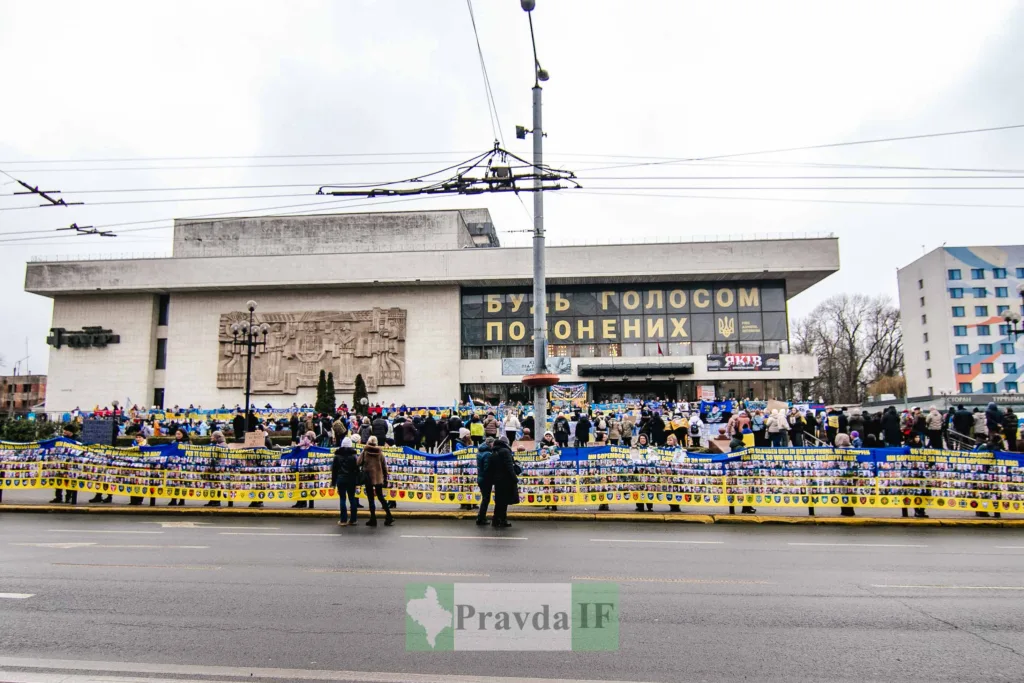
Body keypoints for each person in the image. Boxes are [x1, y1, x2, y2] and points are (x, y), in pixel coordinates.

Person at [356, 436, 393, 527]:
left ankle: (373, 518)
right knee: (381, 497)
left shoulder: (365, 452)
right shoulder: (380, 452)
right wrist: (385, 478)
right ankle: (389, 515)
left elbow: (358, 462)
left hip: (368, 477)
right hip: (378, 477)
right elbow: (384, 467)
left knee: (371, 499)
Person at [489, 435, 519, 528]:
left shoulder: (494, 451)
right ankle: (503, 520)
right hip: (506, 479)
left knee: (499, 501)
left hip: (497, 480)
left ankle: (496, 520)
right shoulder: (505, 451)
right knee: (504, 502)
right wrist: (515, 478)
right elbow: (509, 467)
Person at [331, 438, 360, 526]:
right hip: (351, 479)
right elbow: (357, 469)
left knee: (342, 498)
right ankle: (353, 519)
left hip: (341, 479)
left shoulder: (337, 456)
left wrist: (333, 482)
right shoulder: (354, 456)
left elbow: (334, 470)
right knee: (352, 498)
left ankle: (343, 520)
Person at [475, 436, 494, 526]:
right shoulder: (487, 454)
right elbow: (487, 468)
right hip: (486, 479)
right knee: (486, 499)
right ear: (489, 443)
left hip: (481, 478)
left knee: (485, 498)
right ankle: (481, 518)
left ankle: (481, 517)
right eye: (493, 443)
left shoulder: (480, 452)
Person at [168, 429, 190, 506]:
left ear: (183, 434)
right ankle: (173, 499)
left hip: (183, 465)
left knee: (182, 483)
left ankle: (182, 500)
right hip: (174, 465)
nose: (177, 435)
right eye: (176, 434)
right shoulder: (173, 442)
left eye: (179, 434)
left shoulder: (187, 443)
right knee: (174, 483)